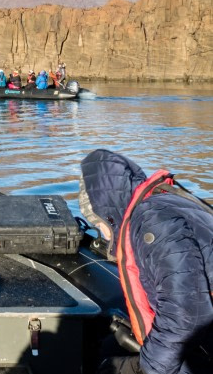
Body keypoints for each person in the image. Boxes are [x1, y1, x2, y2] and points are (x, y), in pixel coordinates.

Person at [79, 150, 213, 374]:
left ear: (105, 213)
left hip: (203, 344)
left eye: (99, 225)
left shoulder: (153, 221)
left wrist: (150, 367)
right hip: (203, 338)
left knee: (108, 367)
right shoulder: (164, 201)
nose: (103, 234)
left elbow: (188, 313)